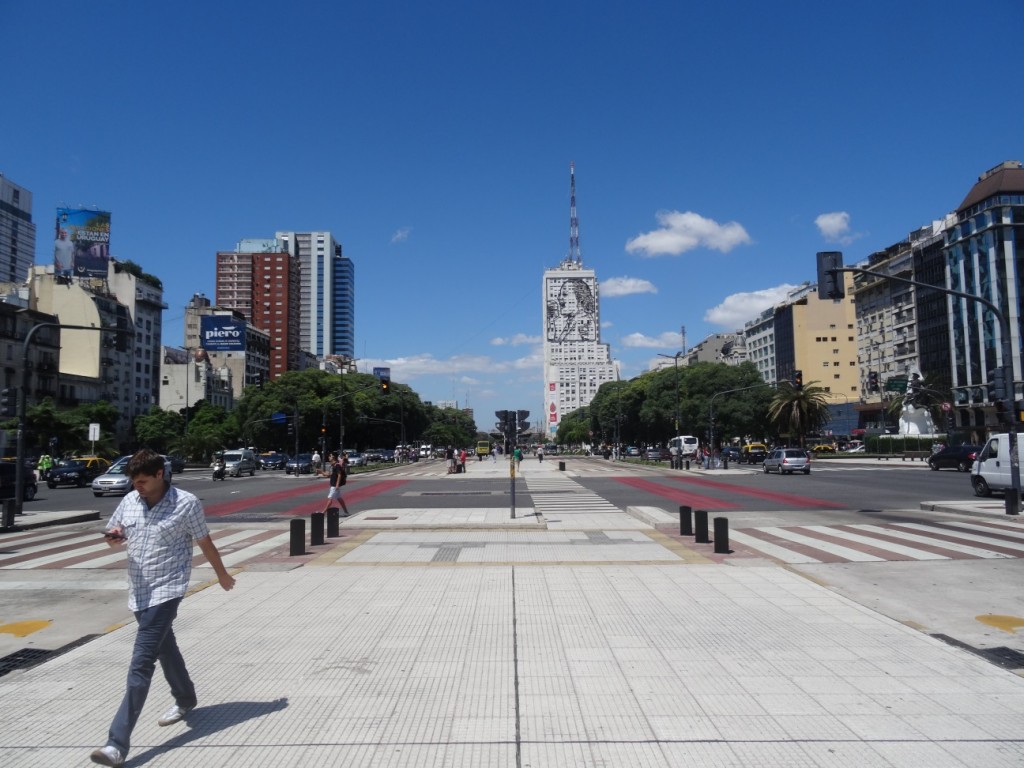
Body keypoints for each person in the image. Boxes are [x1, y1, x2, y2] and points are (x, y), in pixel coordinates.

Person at [90, 449, 235, 767]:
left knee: (141, 663)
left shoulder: (186, 503)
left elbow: (204, 541)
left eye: (142, 481)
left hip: (167, 591)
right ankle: (186, 698)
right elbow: (116, 531)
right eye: (134, 481)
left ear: (159, 475)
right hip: (138, 591)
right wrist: (113, 538)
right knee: (164, 648)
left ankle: (116, 744)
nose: (136, 486)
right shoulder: (130, 500)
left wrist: (221, 573)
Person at [321, 453, 350, 517]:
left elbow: (339, 475)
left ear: (333, 457)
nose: (328, 457)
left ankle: (323, 513)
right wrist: (321, 472)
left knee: (330, 499)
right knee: (339, 499)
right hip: (334, 485)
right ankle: (346, 512)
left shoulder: (337, 465)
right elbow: (330, 475)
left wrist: (337, 485)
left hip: (334, 486)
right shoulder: (333, 465)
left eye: (329, 456)